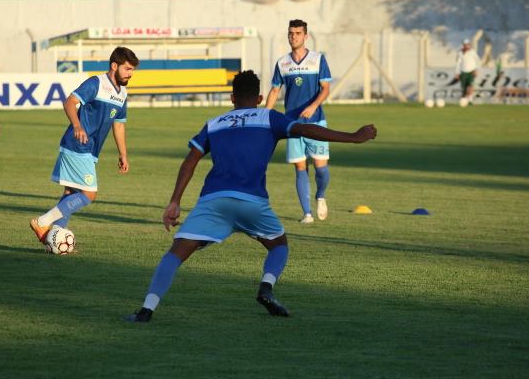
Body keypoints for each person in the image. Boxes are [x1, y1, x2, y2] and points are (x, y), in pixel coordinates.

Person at [127, 70, 376, 322]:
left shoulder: (215, 123)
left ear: (232, 98)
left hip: (215, 200)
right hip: (252, 202)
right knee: (278, 245)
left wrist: (175, 202)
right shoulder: (269, 117)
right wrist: (353, 137)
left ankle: (147, 309)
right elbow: (306, 129)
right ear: (258, 98)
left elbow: (190, 161)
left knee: (175, 254)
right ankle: (266, 288)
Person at [29, 47, 138, 246]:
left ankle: (54, 239)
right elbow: (70, 102)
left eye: (133, 70)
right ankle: (42, 221)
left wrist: (123, 154)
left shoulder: (122, 93)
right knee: (88, 194)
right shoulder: (96, 83)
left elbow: (119, 124)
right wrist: (77, 126)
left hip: (90, 150)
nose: (131, 74)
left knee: (70, 193)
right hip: (78, 145)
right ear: (114, 66)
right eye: (128, 69)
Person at [265, 19, 332, 224]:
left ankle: (320, 196)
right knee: (300, 167)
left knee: (321, 169)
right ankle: (307, 214)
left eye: (297, 33)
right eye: (291, 33)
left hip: (316, 122)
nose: (293, 36)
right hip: (292, 124)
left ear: (305, 36)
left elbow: (326, 88)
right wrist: (264, 116)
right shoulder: (282, 63)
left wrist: (312, 106)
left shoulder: (318, 59)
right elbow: (275, 90)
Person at [454, 39, 479, 104]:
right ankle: (464, 100)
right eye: (465, 45)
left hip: (471, 71)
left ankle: (470, 100)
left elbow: (477, 61)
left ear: (469, 45)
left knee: (470, 86)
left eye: (467, 44)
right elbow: (458, 63)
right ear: (463, 45)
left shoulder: (472, 52)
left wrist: (476, 70)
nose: (466, 46)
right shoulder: (460, 52)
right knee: (464, 87)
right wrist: (457, 73)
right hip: (463, 72)